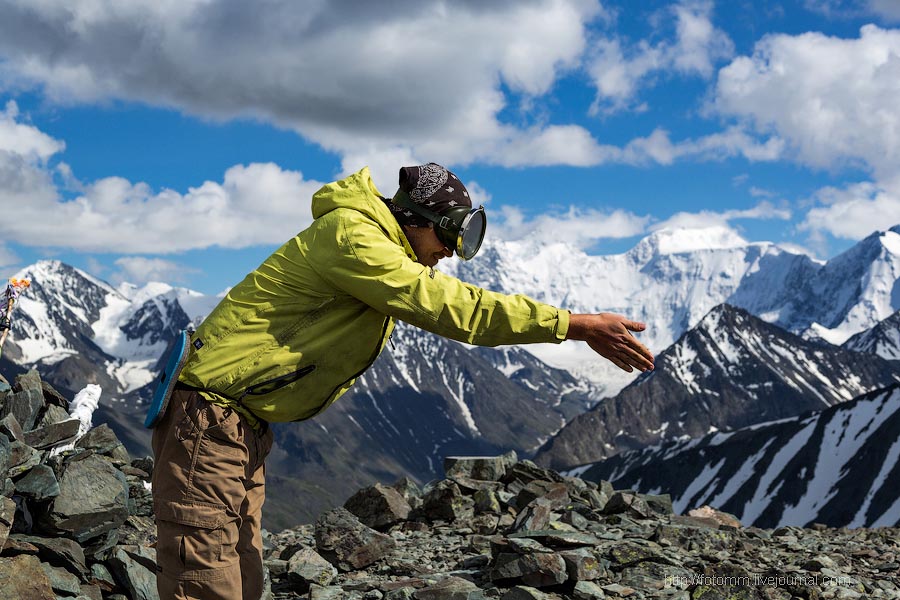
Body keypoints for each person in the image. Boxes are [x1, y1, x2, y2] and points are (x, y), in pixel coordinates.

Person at [150, 163, 654, 600]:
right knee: (206, 578)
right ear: (414, 220)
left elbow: (449, 297)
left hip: (240, 427)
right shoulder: (354, 238)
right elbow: (453, 308)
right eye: (447, 238)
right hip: (209, 422)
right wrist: (573, 324)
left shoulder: (381, 248)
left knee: (241, 574)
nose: (451, 253)